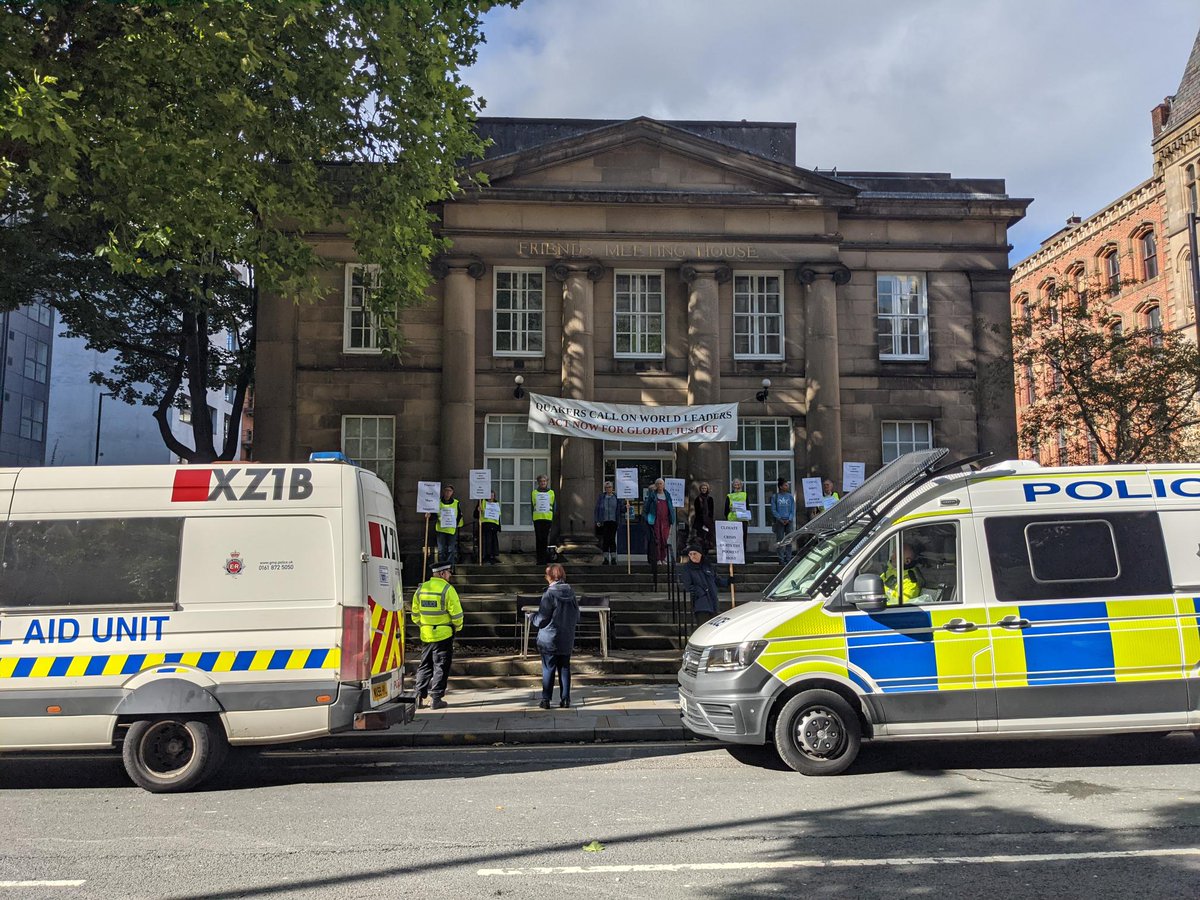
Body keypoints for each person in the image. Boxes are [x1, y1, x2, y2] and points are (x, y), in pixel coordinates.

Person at [410, 562, 463, 709]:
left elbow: (414, 613)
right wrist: (457, 627)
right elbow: (457, 614)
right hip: (444, 634)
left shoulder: (421, 589)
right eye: (448, 572)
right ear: (441, 574)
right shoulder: (447, 589)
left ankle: (419, 697)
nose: (450, 575)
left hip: (426, 635)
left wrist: (423, 625)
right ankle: (436, 699)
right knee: (440, 666)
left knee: (425, 666)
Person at [533, 563, 579, 709]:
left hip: (549, 637)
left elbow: (542, 618)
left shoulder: (549, 594)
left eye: (547, 575)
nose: (546, 578)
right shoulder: (571, 593)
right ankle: (565, 699)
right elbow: (577, 615)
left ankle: (546, 699)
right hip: (566, 636)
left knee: (548, 668)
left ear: (551, 577)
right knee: (565, 668)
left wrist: (532, 618)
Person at [679, 543, 719, 626]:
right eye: (690, 554)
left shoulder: (707, 566)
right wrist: (699, 592)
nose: (692, 556)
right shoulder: (687, 568)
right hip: (701, 604)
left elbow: (716, 580)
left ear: (700, 554)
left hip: (713, 602)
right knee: (703, 627)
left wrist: (728, 581)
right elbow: (688, 585)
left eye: (695, 554)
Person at [643, 477, 675, 565]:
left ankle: (663, 558)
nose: (659, 485)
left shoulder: (667, 495)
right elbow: (645, 510)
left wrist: (672, 519)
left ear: (664, 485)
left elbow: (671, 508)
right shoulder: (652, 496)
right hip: (656, 521)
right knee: (657, 540)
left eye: (661, 484)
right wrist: (649, 519)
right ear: (656, 485)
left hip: (665, 521)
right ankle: (657, 559)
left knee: (664, 540)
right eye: (658, 484)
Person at [434, 484, 463, 565]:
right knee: (441, 550)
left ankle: (449, 568)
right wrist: (428, 515)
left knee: (451, 550)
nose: (447, 492)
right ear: (443, 492)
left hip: (451, 529)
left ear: (452, 492)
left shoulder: (456, 502)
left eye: (449, 491)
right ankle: (442, 568)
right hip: (441, 529)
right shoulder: (438, 502)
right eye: (446, 490)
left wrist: (454, 523)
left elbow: (459, 515)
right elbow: (434, 515)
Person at [770, 478, 796, 565]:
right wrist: (780, 519)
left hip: (789, 521)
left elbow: (793, 509)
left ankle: (788, 558)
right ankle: (781, 559)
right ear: (780, 487)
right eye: (785, 485)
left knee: (789, 540)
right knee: (780, 541)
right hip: (779, 521)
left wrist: (789, 518)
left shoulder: (790, 497)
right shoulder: (775, 497)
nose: (787, 486)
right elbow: (773, 510)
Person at [594, 481, 621, 565]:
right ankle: (605, 558)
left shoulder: (616, 497)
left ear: (612, 488)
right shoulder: (602, 497)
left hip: (613, 521)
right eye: (606, 487)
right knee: (605, 539)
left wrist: (626, 507)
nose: (608, 489)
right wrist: (597, 520)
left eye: (609, 487)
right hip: (604, 521)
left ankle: (613, 558)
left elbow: (620, 508)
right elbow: (597, 509)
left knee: (612, 539)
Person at [531, 474, 556, 565]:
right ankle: (539, 559)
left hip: (547, 518)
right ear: (538, 482)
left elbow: (554, 506)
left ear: (547, 482)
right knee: (538, 539)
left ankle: (544, 559)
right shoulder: (534, 492)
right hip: (537, 519)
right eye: (541, 481)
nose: (543, 483)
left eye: (544, 481)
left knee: (545, 539)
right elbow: (532, 506)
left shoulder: (551, 492)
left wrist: (552, 517)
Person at [476, 490, 501, 564]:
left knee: (493, 542)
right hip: (485, 525)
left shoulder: (496, 503)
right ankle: (486, 557)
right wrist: (478, 510)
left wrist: (499, 527)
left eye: (492, 495)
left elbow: (498, 515)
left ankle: (493, 556)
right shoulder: (482, 502)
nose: (491, 497)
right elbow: (475, 515)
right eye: (490, 495)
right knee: (486, 542)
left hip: (494, 525)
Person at [691, 482, 716, 554]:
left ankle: (707, 549)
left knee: (709, 537)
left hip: (708, 520)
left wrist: (709, 520)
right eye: (702, 488)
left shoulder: (710, 499)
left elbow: (712, 511)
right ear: (700, 489)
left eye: (705, 488)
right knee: (700, 536)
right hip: (700, 520)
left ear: (707, 489)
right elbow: (697, 511)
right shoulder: (697, 499)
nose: (704, 490)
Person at [725, 478, 750, 548]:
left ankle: (743, 556)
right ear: (733, 486)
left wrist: (748, 517)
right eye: (735, 484)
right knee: (733, 538)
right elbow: (726, 509)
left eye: (738, 484)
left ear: (741, 485)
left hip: (743, 519)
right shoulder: (729, 496)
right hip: (733, 520)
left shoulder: (745, 495)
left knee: (743, 538)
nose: (737, 486)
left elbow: (748, 507)